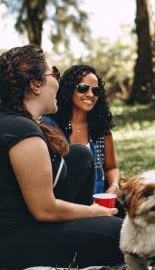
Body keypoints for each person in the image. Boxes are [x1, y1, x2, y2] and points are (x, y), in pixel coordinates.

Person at [0, 45, 123, 270]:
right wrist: (95, 211)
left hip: (19, 221)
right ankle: (92, 226)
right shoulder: (20, 131)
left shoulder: (14, 120)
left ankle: (88, 226)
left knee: (80, 155)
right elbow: (45, 210)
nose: (57, 81)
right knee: (125, 234)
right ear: (36, 84)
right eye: (53, 73)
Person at [42, 65, 121, 195]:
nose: (90, 95)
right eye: (83, 88)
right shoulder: (50, 126)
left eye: (96, 91)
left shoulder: (100, 127)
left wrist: (114, 186)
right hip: (64, 204)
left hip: (98, 205)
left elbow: (111, 168)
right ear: (69, 90)